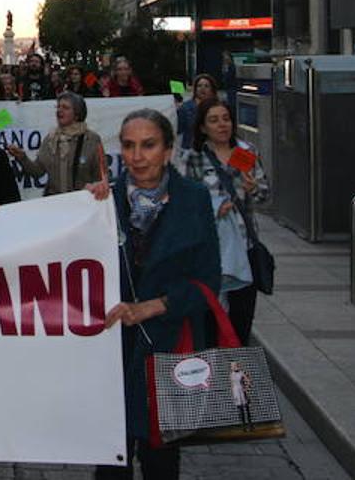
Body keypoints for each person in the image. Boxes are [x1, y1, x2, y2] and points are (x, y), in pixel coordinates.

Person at [85, 108, 220, 480]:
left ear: (168, 150)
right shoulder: (102, 201)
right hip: (113, 352)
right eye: (128, 146)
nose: (137, 156)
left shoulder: (193, 199)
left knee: (161, 460)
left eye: (148, 145)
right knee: (111, 461)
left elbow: (209, 281)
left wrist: (156, 306)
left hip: (169, 346)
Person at [182, 98, 267, 346]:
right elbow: (185, 204)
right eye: (214, 120)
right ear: (202, 127)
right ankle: (213, 377)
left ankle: (237, 379)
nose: (222, 125)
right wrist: (212, 209)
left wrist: (253, 189)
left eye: (226, 119)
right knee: (209, 320)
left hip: (244, 246)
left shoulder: (244, 153)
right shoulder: (194, 158)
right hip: (209, 251)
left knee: (241, 320)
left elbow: (264, 195)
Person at [6, 92, 107, 195]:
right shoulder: (51, 139)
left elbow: (101, 177)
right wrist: (22, 157)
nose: (59, 110)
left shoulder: (91, 139)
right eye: (58, 107)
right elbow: (37, 172)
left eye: (65, 107)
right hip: (55, 203)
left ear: (77, 114)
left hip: (82, 203)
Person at [176, 73, 220, 151]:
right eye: (199, 86)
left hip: (215, 150)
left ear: (212, 90)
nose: (202, 88)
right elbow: (177, 130)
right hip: (191, 150)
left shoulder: (220, 108)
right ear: (195, 89)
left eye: (206, 86)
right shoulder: (185, 108)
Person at [230, 362, 254, 431]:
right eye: (232, 366)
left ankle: (250, 425)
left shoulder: (241, 372)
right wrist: (233, 395)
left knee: (247, 409)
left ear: (237, 365)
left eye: (234, 365)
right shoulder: (231, 374)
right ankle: (244, 427)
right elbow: (232, 385)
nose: (233, 367)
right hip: (236, 392)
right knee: (240, 410)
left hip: (242, 391)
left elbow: (248, 381)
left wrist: (246, 388)